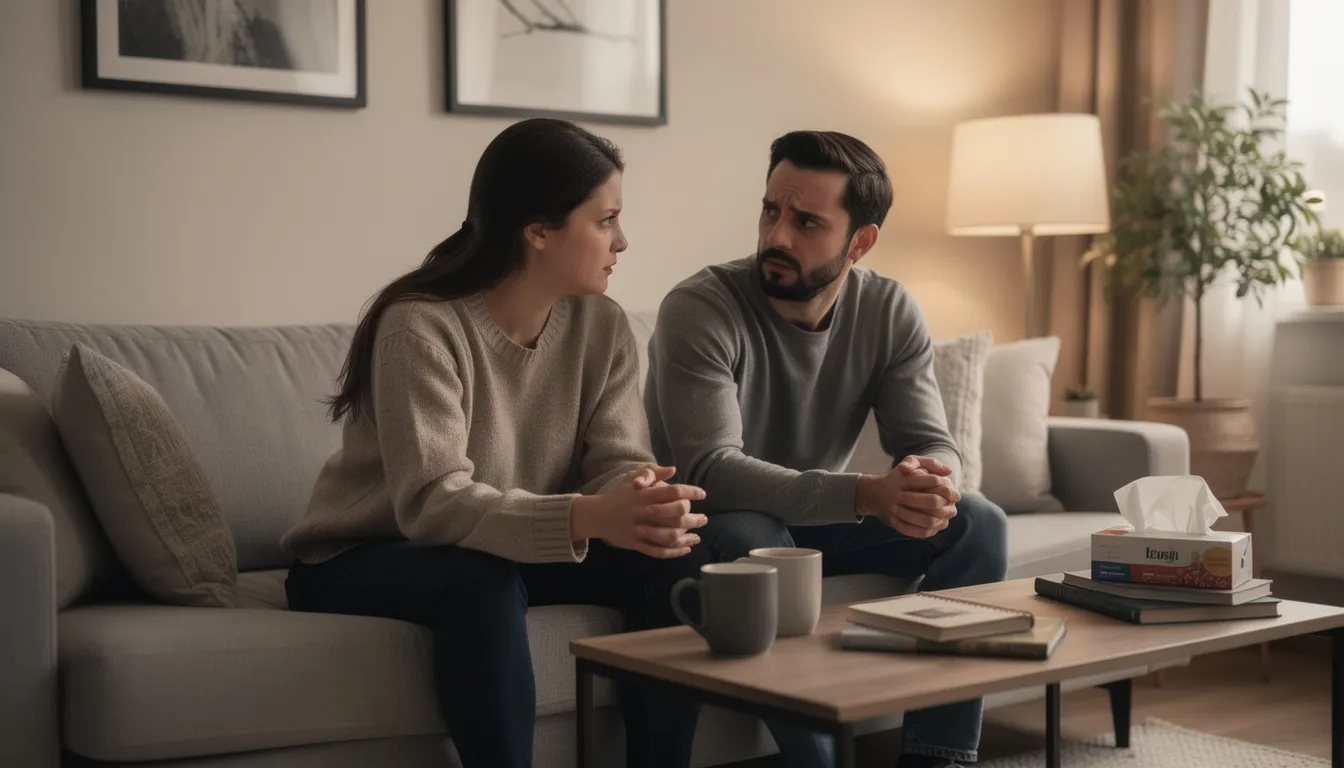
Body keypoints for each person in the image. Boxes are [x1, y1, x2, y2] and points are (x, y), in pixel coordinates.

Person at [280, 118, 712, 768]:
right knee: (477, 580)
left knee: (676, 556)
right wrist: (590, 515)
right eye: (606, 220)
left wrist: (640, 499)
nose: (623, 240)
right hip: (364, 554)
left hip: (504, 547)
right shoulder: (420, 328)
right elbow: (433, 503)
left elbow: (616, 457)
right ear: (538, 231)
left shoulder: (602, 323)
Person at [644, 130, 1010, 768]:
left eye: (806, 221)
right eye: (770, 211)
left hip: (814, 522)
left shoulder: (890, 309)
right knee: (756, 535)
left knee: (979, 522)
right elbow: (711, 471)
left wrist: (931, 481)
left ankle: (939, 755)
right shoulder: (700, 309)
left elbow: (929, 441)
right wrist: (868, 494)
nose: (777, 236)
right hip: (710, 527)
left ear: (860, 241)